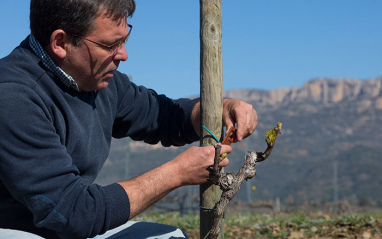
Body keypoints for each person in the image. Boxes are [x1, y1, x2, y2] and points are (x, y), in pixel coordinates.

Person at [0, 0, 258, 238]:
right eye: (110, 45)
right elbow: (75, 212)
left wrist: (219, 108)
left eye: (125, 39)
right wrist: (175, 174)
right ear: (60, 42)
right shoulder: (13, 97)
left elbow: (163, 117)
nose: (123, 55)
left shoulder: (99, 82)